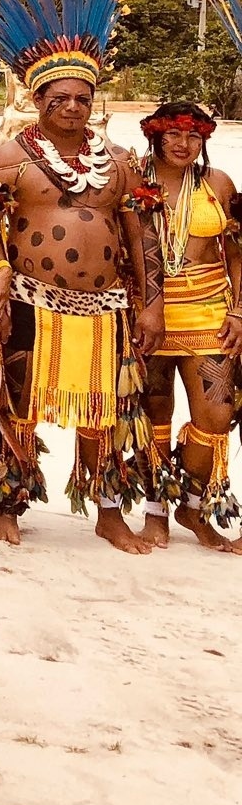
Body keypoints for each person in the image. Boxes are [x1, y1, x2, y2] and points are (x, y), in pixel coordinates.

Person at [0, 0, 164, 553]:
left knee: (106, 408)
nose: (73, 106)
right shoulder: (9, 158)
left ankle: (108, 509)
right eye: (60, 98)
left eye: (82, 97)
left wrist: (150, 303)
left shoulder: (123, 164)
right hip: (30, 298)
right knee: (18, 400)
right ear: (39, 100)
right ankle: (7, 503)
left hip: (106, 307)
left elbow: (141, 237)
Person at [136, 101, 240, 550]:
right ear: (156, 135)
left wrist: (239, 311)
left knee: (216, 414)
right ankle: (156, 512)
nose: (184, 145)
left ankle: (192, 503)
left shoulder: (217, 184)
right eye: (174, 134)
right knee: (154, 413)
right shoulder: (133, 180)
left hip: (209, 312)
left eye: (194, 137)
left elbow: (236, 253)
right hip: (150, 311)